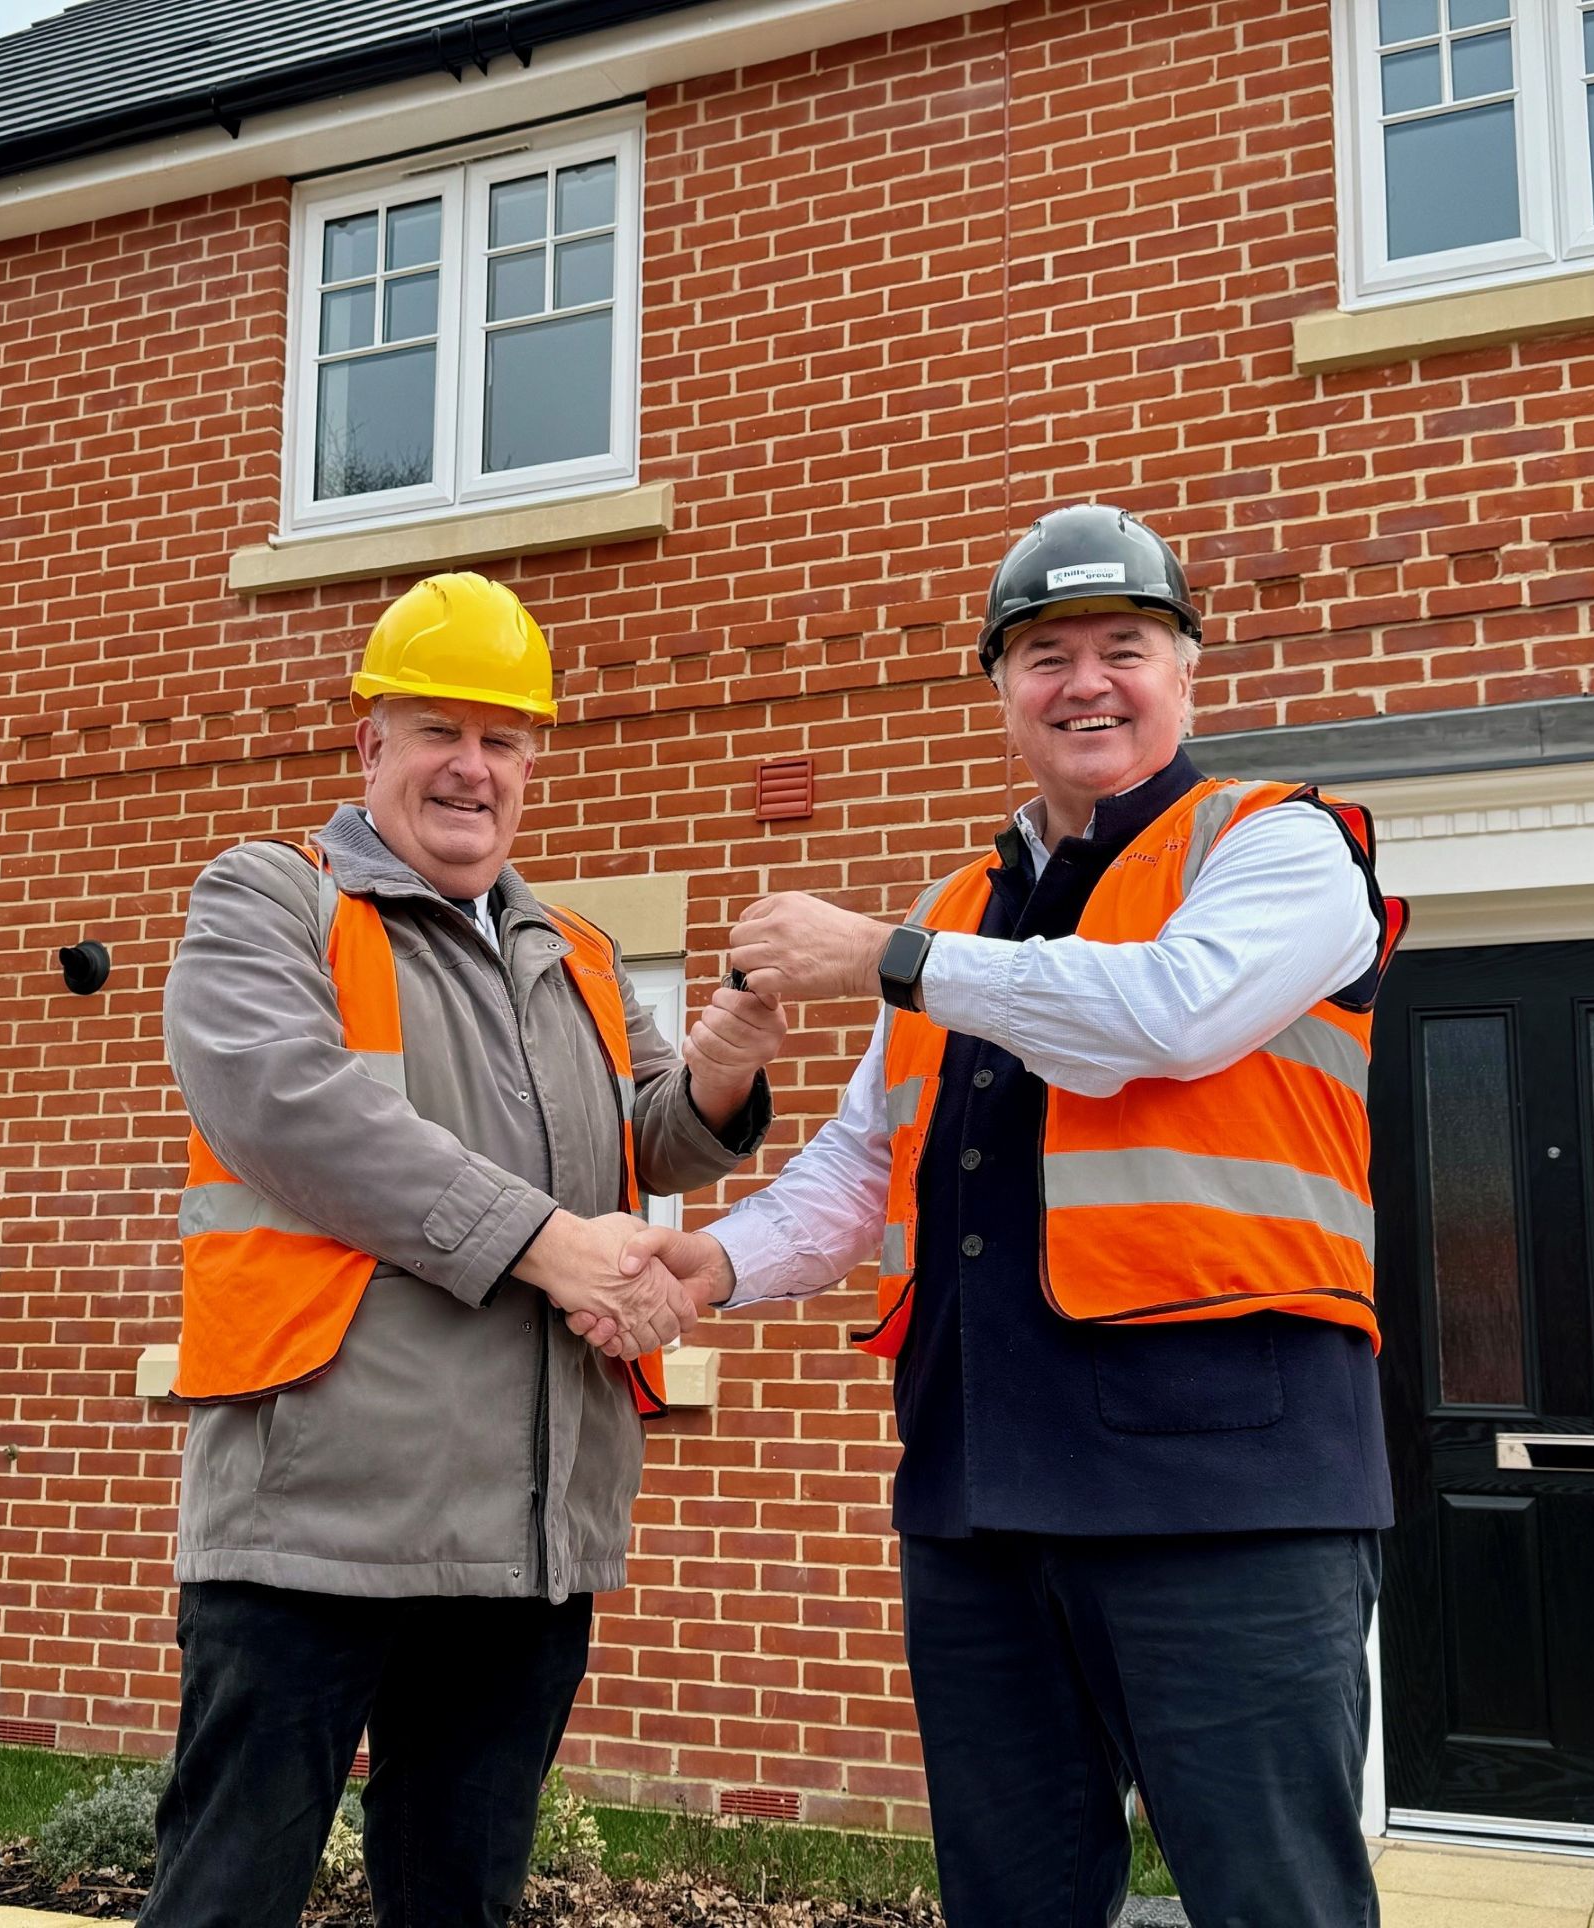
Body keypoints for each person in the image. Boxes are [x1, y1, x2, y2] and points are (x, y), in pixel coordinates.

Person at [595, 506, 1405, 1927]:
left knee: (1270, 1897)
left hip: (1228, 1492)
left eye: (1123, 647)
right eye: (1044, 654)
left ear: (1186, 670)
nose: (1085, 682)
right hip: (980, 1489)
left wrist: (886, 955)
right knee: (1010, 1898)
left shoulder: (1279, 848)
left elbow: (1161, 1016)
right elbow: (865, 1161)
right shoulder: (963, 912)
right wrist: (709, 1263)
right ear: (999, 688)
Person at [148, 571, 786, 1928]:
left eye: (502, 739)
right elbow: (289, 1109)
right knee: (228, 1895)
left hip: (526, 1533)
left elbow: (649, 1141)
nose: (472, 766)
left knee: (462, 1899)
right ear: (367, 743)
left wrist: (720, 1079)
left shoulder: (585, 954)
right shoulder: (272, 901)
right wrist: (552, 1248)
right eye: (439, 729)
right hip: (314, 1520)